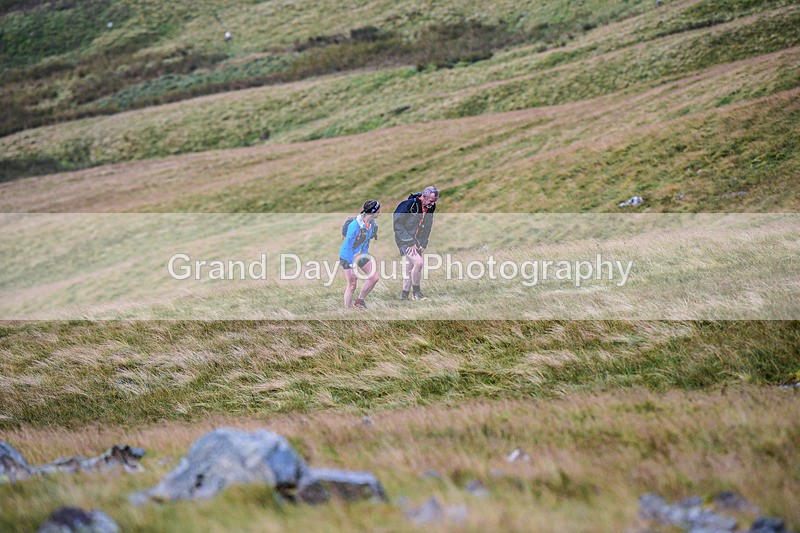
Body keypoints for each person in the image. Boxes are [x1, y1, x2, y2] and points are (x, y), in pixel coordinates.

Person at [393, 185, 439, 301]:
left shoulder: (430, 207)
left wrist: (424, 243)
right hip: (404, 239)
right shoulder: (409, 205)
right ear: (424, 196)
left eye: (434, 201)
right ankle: (416, 294)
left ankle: (404, 297)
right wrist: (409, 241)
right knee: (418, 263)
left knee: (410, 268)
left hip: (417, 241)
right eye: (431, 201)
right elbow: (397, 224)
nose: (433, 204)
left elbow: (428, 225)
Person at [339, 200, 381, 309]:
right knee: (352, 285)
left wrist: (364, 255)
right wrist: (353, 266)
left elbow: (366, 242)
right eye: (378, 209)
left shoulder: (371, 224)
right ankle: (347, 312)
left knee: (374, 278)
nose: (380, 211)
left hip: (360, 254)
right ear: (373, 211)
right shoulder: (354, 226)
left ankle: (359, 301)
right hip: (347, 256)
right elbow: (348, 247)